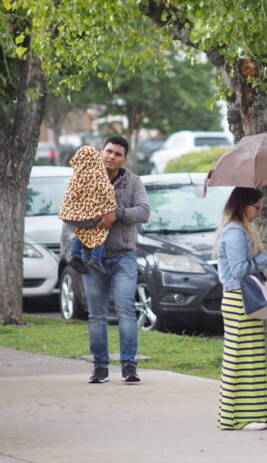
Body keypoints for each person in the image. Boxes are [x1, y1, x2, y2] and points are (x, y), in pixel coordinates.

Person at [82, 136, 150, 384]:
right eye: (108, 151)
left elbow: (143, 212)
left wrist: (116, 214)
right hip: (92, 258)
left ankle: (129, 367)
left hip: (124, 257)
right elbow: (69, 213)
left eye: (117, 154)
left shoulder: (133, 181)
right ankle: (100, 367)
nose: (111, 156)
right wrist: (93, 218)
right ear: (101, 152)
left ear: (125, 159)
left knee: (126, 312)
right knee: (96, 316)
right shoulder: (85, 178)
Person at [215, 187, 267, 431]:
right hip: (238, 300)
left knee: (250, 358)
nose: (258, 213)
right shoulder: (234, 231)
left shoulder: (239, 229)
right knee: (240, 359)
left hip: (241, 300)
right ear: (243, 205)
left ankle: (252, 414)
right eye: (256, 208)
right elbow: (239, 270)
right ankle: (237, 417)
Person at [58, 145, 117, 275]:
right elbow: (106, 191)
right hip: (88, 216)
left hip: (72, 216)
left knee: (82, 230)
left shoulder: (76, 175)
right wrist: (111, 207)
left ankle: (75, 255)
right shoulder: (96, 174)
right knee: (102, 226)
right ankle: (96, 258)